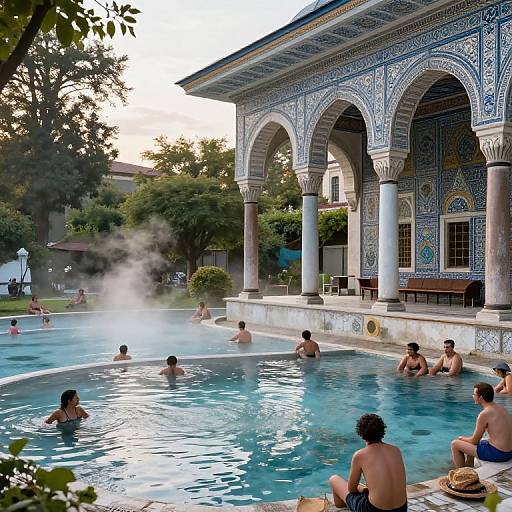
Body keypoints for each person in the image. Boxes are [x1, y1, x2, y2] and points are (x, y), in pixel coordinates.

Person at [328, 414, 407, 512]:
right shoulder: (396, 450)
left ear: (361, 434)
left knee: (334, 479)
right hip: (401, 509)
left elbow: (351, 490)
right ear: (383, 431)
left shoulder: (360, 455)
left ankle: (343, 506)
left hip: (373, 509)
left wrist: (360, 489)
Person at [451, 382, 512, 467]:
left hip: (499, 454)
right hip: (509, 452)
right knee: (480, 441)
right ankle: (469, 467)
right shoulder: (501, 409)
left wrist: (461, 438)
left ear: (481, 398)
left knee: (455, 444)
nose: (473, 396)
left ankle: (461, 475)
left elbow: (474, 441)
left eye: (474, 394)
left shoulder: (484, 414)